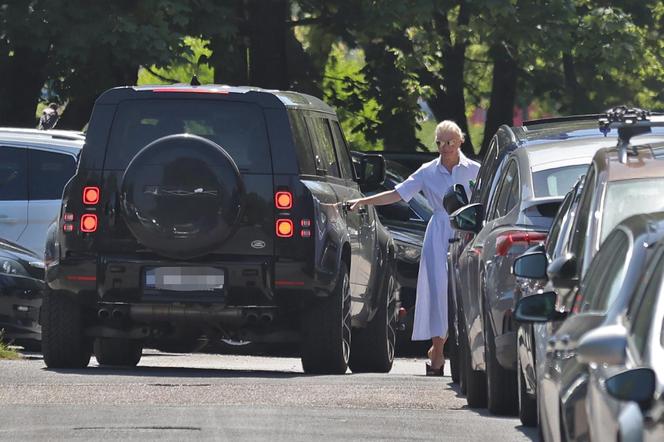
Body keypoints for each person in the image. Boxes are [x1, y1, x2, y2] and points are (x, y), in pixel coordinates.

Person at [347, 120, 480, 376]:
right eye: (440, 142)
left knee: (464, 289)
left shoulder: (475, 170)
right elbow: (398, 193)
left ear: (460, 141)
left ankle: (454, 350)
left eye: (450, 142)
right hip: (439, 231)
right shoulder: (428, 171)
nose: (445, 147)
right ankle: (438, 352)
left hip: (466, 231)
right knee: (439, 289)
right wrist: (364, 200)